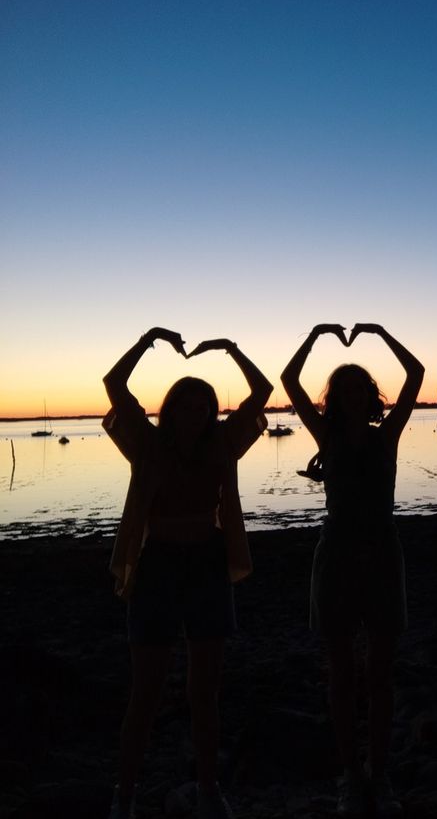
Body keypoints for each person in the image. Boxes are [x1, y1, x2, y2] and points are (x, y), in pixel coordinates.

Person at [103, 327, 272, 819]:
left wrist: (232, 349)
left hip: (207, 567)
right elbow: (115, 384)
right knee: (146, 692)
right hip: (156, 569)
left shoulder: (223, 443)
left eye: (204, 406)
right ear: (170, 408)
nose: (196, 413)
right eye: (186, 404)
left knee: (205, 691)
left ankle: (208, 790)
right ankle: (126, 795)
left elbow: (262, 392)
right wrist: (147, 339)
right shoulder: (146, 443)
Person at [281, 323, 424, 818]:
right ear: (334, 400)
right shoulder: (325, 436)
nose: (352, 395)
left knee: (381, 674)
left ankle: (378, 775)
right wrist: (318, 334)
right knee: (341, 673)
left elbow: (417, 373)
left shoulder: (389, 436)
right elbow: (289, 378)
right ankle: (349, 775)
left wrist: (382, 332)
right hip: (338, 553)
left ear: (370, 397)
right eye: (343, 390)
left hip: (384, 552)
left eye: (360, 388)